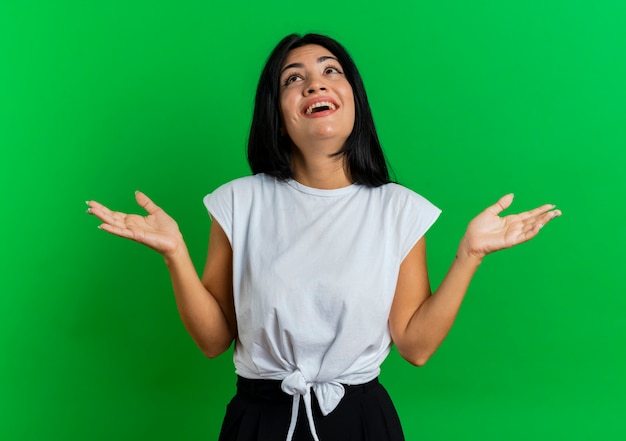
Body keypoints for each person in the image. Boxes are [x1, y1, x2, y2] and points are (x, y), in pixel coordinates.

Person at [86, 33, 561, 441]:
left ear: (353, 96)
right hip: (260, 419)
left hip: (359, 421)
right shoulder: (238, 202)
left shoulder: (398, 209)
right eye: (293, 78)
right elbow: (214, 341)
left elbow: (415, 347)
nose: (314, 82)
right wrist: (175, 255)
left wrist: (469, 256)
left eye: (330, 71)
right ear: (277, 113)